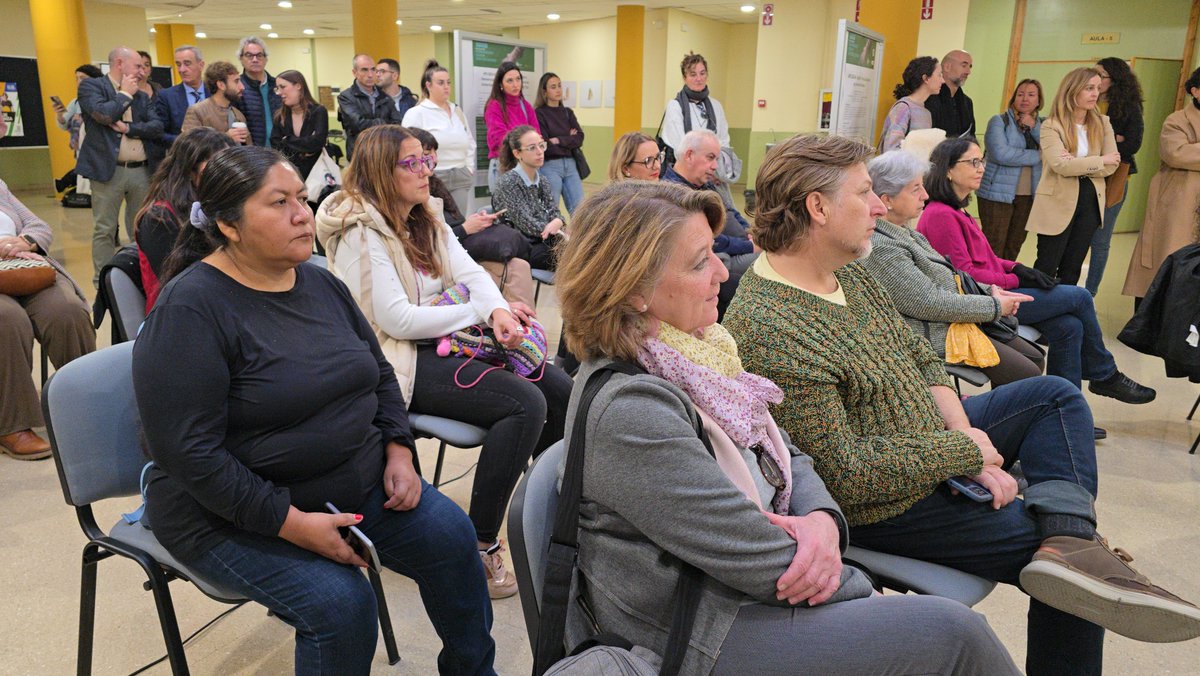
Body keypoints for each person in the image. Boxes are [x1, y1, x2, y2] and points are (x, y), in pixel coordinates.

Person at [724, 133, 1200, 676]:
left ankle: (1067, 528)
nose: (880, 205)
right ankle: (1070, 540)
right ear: (818, 207)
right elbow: (847, 479)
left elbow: (920, 359)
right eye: (864, 193)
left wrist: (966, 437)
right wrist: (963, 453)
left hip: (928, 436)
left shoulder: (851, 270)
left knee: (1054, 397)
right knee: (1074, 573)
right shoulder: (772, 327)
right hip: (887, 503)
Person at [553, 179, 1020, 676]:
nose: (720, 273)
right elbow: (754, 558)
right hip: (701, 628)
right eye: (697, 263)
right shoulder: (633, 409)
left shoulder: (700, 353)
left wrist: (821, 519)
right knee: (954, 633)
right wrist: (857, 583)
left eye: (714, 252)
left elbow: (790, 454)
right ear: (633, 291)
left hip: (744, 590)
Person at [133, 145, 496, 674]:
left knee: (452, 537)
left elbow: (378, 375)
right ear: (229, 225)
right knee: (341, 605)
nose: (303, 214)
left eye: (301, 198)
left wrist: (398, 449)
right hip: (228, 513)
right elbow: (190, 456)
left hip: (351, 484)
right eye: (278, 203)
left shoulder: (321, 282)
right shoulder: (190, 310)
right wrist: (289, 523)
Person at [315, 125, 572, 599]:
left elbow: (470, 272)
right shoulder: (357, 232)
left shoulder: (423, 214)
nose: (425, 171)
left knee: (561, 391)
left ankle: (557, 521)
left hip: (449, 336)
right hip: (397, 356)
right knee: (524, 405)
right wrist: (480, 310)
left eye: (425, 160)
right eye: (411, 163)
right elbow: (395, 320)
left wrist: (496, 309)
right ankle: (479, 542)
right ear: (378, 171)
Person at [918, 137, 1155, 416]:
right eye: (972, 162)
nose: (981, 167)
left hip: (996, 291)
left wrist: (1017, 267)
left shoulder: (957, 210)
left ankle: (1067, 414)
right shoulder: (940, 215)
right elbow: (965, 277)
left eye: (982, 161)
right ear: (948, 170)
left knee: (1069, 326)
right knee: (1079, 296)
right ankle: (1103, 374)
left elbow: (988, 261)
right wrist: (1018, 280)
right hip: (983, 301)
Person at [862, 150, 1043, 386]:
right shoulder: (884, 247)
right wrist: (994, 305)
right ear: (887, 200)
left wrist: (990, 291)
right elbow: (929, 303)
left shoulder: (906, 233)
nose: (925, 195)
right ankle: (988, 420)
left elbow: (952, 277)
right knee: (1027, 372)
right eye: (915, 189)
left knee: (1035, 359)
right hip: (933, 333)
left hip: (953, 320)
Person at [0, 178, 95, 460]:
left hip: (22, 268)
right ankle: (12, 425)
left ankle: (87, 405)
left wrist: (24, 241)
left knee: (67, 311)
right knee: (8, 319)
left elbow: (39, 226)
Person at [77, 46, 163, 284]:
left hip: (141, 171)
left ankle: (138, 276)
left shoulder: (142, 95)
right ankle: (104, 280)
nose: (142, 71)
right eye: (137, 66)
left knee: (140, 228)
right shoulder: (91, 87)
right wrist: (124, 95)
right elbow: (104, 115)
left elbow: (156, 127)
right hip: (108, 172)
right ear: (119, 63)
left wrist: (129, 129)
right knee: (104, 228)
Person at [1025, 68, 1119, 286]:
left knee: (1073, 266)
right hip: (1057, 199)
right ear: (1072, 90)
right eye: (1088, 88)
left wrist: (1078, 162)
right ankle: (1038, 315)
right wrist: (1099, 160)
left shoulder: (1103, 122)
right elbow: (1061, 165)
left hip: (1090, 199)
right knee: (1047, 265)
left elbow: (1112, 164)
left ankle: (1063, 313)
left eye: (1097, 88)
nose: (1095, 93)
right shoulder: (1051, 125)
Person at [133, 128, 237, 309]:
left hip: (218, 301)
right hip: (181, 310)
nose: (225, 174)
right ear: (190, 169)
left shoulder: (218, 204)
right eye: (216, 166)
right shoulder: (159, 218)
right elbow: (182, 283)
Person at [1123, 67, 1200, 300]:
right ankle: (1150, 322)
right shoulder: (1177, 120)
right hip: (1179, 200)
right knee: (1166, 257)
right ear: (1196, 91)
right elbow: (1176, 154)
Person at [661, 129, 756, 316]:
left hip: (736, 247)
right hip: (719, 257)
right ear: (689, 155)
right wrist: (749, 246)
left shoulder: (705, 184)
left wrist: (748, 230)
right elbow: (713, 240)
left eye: (717, 159)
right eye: (710, 158)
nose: (714, 166)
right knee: (763, 265)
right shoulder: (674, 194)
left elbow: (731, 210)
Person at [1086, 57, 1145, 296]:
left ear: (1116, 79)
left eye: (1102, 75)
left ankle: (1090, 293)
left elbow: (1132, 143)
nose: (1097, 80)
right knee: (1077, 236)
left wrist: (1103, 142)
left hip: (1115, 178)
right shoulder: (1086, 100)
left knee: (1100, 240)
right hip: (1085, 174)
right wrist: (1112, 139)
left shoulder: (1129, 106)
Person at [977, 78, 1044, 261]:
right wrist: (1038, 156)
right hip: (996, 194)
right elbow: (1001, 154)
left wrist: (1034, 127)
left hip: (1028, 196)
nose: (1025, 99)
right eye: (1020, 94)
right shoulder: (999, 121)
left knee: (1014, 245)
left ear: (1039, 100)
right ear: (1014, 98)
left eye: (1031, 95)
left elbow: (1052, 151)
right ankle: (987, 286)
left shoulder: (1045, 126)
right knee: (993, 245)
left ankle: (1004, 283)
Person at [660, 52, 735, 202]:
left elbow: (724, 141)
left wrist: (718, 171)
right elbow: (680, 147)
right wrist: (702, 171)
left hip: (714, 175)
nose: (698, 78)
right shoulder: (675, 106)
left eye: (702, 73)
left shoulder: (716, 106)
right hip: (686, 176)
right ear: (684, 77)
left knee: (726, 212)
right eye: (693, 74)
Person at [402, 60, 476, 211]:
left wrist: (469, 167)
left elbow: (469, 141)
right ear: (428, 85)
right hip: (433, 174)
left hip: (460, 172)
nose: (446, 87)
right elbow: (406, 147)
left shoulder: (457, 111)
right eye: (440, 83)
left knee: (459, 220)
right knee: (436, 221)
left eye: (448, 82)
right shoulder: (417, 112)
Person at [491, 125, 566, 271]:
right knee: (574, 258)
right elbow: (526, 223)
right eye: (532, 148)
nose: (539, 152)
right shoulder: (509, 182)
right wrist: (554, 228)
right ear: (517, 153)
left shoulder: (542, 180)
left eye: (541, 145)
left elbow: (553, 211)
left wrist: (558, 220)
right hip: (521, 246)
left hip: (543, 240)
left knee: (582, 252)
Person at [534, 72, 586, 214]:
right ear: (544, 91)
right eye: (553, 87)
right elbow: (544, 145)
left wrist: (558, 140)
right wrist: (569, 139)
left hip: (571, 165)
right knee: (551, 210)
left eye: (559, 86)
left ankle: (578, 237)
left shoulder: (567, 112)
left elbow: (580, 138)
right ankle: (552, 236)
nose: (558, 90)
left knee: (580, 209)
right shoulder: (539, 114)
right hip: (550, 166)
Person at [483, 62, 539, 192]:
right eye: (510, 80)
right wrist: (526, 143)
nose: (515, 84)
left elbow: (536, 135)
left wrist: (527, 145)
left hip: (526, 165)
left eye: (518, 79)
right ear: (501, 85)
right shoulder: (494, 106)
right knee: (506, 211)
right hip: (504, 165)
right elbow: (498, 138)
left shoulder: (526, 106)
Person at [337, 54, 400, 161]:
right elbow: (358, 125)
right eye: (364, 70)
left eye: (373, 69)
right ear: (354, 72)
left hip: (384, 155)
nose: (370, 75)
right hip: (360, 156)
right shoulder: (346, 97)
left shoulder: (384, 96)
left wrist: (374, 124)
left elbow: (397, 124)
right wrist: (383, 122)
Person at [270, 70, 329, 182]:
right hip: (290, 173)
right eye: (277, 88)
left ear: (298, 86)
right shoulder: (280, 115)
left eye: (283, 87)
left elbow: (318, 142)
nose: (279, 92)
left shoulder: (318, 111)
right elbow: (276, 145)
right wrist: (305, 146)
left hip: (316, 173)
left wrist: (287, 140)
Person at [878, 56, 943, 151]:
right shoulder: (903, 108)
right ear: (926, 78)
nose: (943, 80)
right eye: (939, 75)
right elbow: (891, 149)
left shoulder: (926, 113)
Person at [232, 36, 281, 148]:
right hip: (252, 154)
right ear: (241, 59)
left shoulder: (278, 85)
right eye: (249, 55)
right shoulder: (236, 88)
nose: (255, 59)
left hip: (280, 152)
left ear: (266, 59)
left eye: (259, 55)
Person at [181, 61, 248, 143]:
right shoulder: (197, 111)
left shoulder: (238, 115)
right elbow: (189, 146)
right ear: (221, 85)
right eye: (236, 81)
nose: (242, 87)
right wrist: (225, 138)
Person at [155, 45, 208, 147]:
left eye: (187, 64)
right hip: (183, 156)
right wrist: (187, 142)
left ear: (201, 65)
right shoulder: (167, 96)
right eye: (178, 65)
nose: (182, 70)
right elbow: (159, 134)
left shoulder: (215, 92)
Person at [52, 64, 103, 154]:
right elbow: (64, 125)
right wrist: (59, 114)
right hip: (82, 153)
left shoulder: (105, 100)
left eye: (83, 78)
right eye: (77, 79)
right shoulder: (75, 102)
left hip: (102, 152)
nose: (79, 82)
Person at [925, 50, 976, 138]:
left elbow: (971, 135)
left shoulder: (967, 102)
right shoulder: (929, 97)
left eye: (970, 67)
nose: (968, 72)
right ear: (947, 67)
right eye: (964, 65)